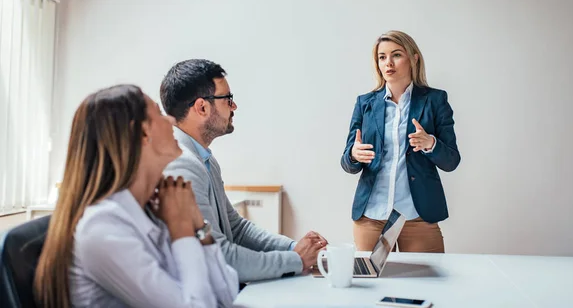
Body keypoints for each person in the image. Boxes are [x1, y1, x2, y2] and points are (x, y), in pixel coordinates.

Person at [34, 85, 238, 308]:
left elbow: (227, 296)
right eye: (159, 115)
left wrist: (198, 225)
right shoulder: (102, 228)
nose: (171, 121)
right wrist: (181, 229)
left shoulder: (153, 207)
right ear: (142, 133)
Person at [160, 59, 327, 282]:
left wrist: (293, 247)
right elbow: (219, 256)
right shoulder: (183, 164)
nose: (234, 106)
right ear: (202, 107)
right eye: (228, 99)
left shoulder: (203, 158)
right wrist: (296, 260)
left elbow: (236, 229)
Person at [341, 31, 461, 253]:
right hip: (371, 217)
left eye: (396, 55)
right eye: (382, 57)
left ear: (414, 58)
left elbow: (452, 160)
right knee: (369, 284)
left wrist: (430, 143)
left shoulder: (435, 101)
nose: (388, 63)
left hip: (417, 217)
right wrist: (353, 155)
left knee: (426, 287)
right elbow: (347, 162)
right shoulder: (365, 103)